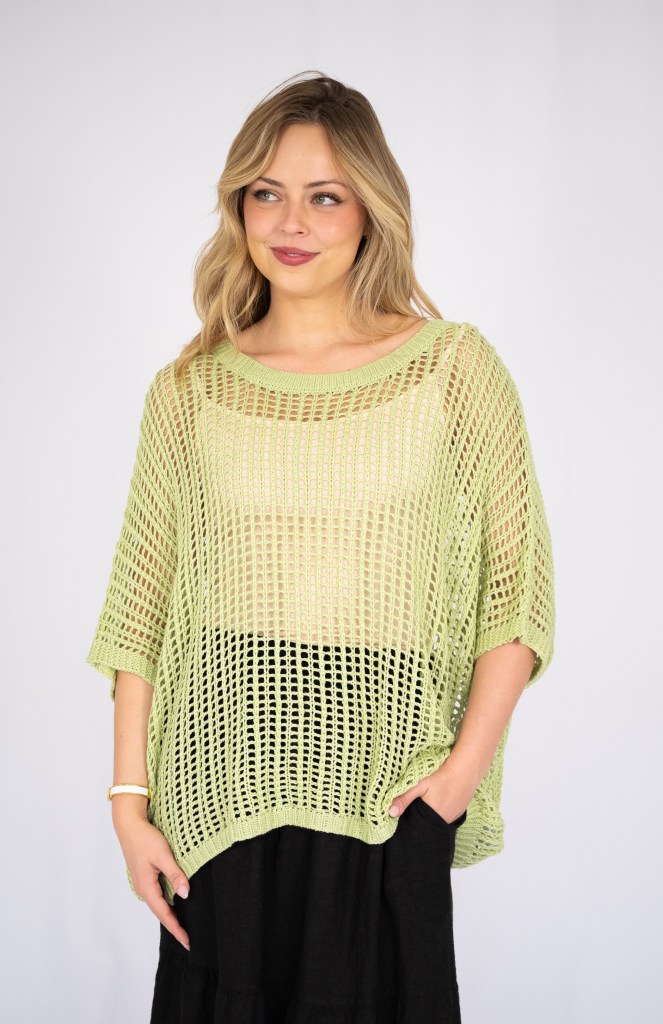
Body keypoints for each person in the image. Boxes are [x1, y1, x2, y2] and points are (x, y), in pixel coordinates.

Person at [86, 70, 555, 1023]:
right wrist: (128, 804)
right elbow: (142, 609)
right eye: (266, 193)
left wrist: (457, 778)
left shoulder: (451, 368)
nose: (290, 222)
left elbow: (517, 593)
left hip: (390, 773)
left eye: (324, 196)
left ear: (371, 208)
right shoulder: (189, 389)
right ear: (238, 207)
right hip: (221, 767)